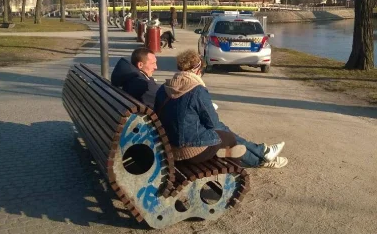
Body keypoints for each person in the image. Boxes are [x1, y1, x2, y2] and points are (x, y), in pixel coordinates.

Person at [111, 48, 287, 168]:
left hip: (168, 143)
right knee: (226, 134)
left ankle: (260, 155)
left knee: (222, 133)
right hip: (189, 150)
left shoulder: (165, 87)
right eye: (201, 69)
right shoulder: (196, 89)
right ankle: (259, 157)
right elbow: (212, 123)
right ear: (196, 70)